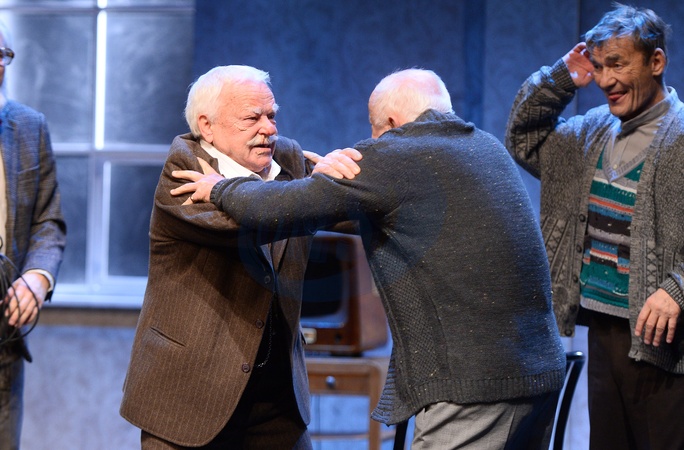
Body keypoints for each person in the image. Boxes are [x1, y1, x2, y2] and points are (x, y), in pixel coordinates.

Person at [175, 68, 567, 449]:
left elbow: (281, 210)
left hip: (475, 386)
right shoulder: (485, 147)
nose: (373, 141)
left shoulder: (395, 153)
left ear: (392, 123)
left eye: (375, 130)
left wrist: (221, 189)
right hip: (540, 373)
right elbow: (382, 213)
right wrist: (330, 186)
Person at [119, 65, 361, 450]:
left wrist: (353, 179)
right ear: (207, 126)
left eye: (272, 116)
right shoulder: (184, 168)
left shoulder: (288, 160)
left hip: (277, 400)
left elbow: (351, 212)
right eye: (252, 118)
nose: (268, 129)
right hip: (190, 398)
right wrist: (313, 193)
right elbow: (250, 226)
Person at [505, 4, 684, 449]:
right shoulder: (590, 135)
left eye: (617, 64)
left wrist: (679, 286)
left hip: (669, 345)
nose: (605, 80)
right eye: (600, 66)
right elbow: (523, 137)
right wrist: (561, 78)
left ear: (656, 62)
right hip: (605, 331)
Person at [0, 21, 66, 449]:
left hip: (4, 343)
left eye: (0, 56)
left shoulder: (29, 127)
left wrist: (38, 277)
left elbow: (48, 220)